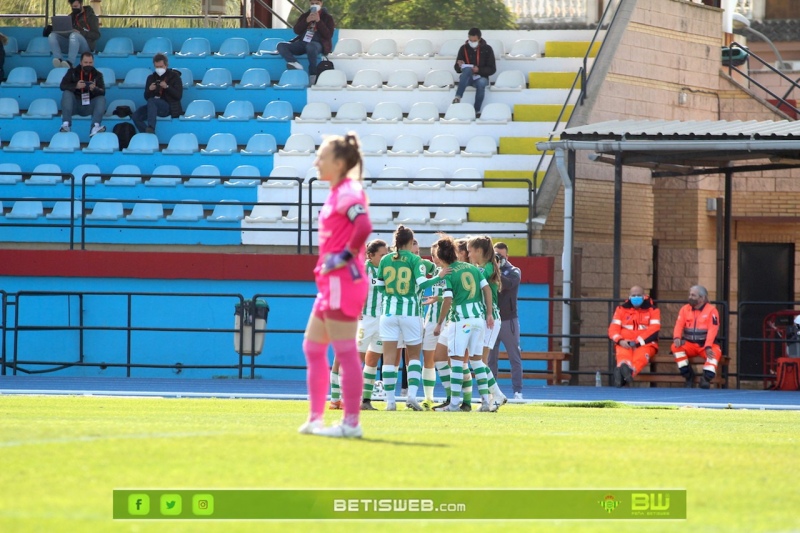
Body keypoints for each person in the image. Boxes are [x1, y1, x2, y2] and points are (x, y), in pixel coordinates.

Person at [298, 133, 372, 438]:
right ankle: (316, 418)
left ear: (339, 163)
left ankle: (351, 424)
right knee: (313, 348)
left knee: (344, 353)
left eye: (322, 156)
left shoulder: (348, 191)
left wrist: (344, 255)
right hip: (331, 283)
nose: (317, 161)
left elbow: (364, 225)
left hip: (344, 282)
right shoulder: (336, 192)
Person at [432, 236, 493, 412]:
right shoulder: (472, 268)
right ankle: (485, 403)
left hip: (461, 321)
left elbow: (448, 299)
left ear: (441, 256)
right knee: (477, 362)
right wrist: (488, 313)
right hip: (478, 319)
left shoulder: (448, 272)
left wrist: (439, 323)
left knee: (457, 362)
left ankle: (453, 404)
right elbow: (487, 289)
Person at [468, 235, 509, 410]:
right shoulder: (484, 267)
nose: (469, 254)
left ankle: (494, 396)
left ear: (478, 251)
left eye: (470, 251)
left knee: (480, 361)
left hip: (489, 319)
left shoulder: (486, 268)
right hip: (485, 318)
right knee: (478, 361)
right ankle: (490, 398)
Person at [488, 242, 523, 399]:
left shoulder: (514, 271)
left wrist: (496, 271)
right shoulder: (488, 271)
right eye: (496, 255)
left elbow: (508, 284)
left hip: (509, 321)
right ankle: (491, 392)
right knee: (491, 359)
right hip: (492, 320)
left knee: (514, 357)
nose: (498, 258)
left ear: (507, 256)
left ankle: (517, 391)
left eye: (501, 256)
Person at [608, 285, 661, 388]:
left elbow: (654, 330)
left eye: (638, 295)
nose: (636, 297)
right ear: (629, 296)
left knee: (639, 358)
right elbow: (613, 329)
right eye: (633, 295)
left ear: (644, 296)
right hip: (624, 342)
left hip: (646, 344)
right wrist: (620, 340)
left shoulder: (653, 310)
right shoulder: (621, 309)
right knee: (623, 357)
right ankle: (624, 372)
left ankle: (624, 375)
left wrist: (637, 342)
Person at [671, 285, 722, 389]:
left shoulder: (712, 310)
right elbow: (679, 324)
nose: (690, 297)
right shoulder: (685, 309)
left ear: (702, 298)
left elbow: (713, 330)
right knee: (675, 347)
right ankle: (688, 376)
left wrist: (708, 346)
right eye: (690, 294)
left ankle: (706, 379)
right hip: (689, 344)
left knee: (715, 352)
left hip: (705, 345)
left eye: (693, 295)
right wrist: (677, 338)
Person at [277, 0, 334, 84]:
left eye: (317, 3)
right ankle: (295, 63)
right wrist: (306, 21)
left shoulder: (327, 17)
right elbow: (296, 30)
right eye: (312, 3)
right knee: (281, 45)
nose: (314, 5)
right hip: (303, 42)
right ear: (309, 4)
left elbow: (328, 35)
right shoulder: (305, 16)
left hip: (318, 44)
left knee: (311, 46)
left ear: (321, 4)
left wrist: (319, 21)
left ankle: (313, 74)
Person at [132, 54, 183, 134]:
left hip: (168, 106)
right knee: (136, 116)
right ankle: (148, 133)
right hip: (152, 106)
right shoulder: (151, 78)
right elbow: (146, 97)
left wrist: (167, 87)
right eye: (157, 67)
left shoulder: (174, 76)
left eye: (161, 66)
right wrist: (150, 89)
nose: (159, 69)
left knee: (152, 101)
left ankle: (151, 127)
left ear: (166, 65)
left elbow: (178, 95)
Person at [59, 52, 106, 136]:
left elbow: (103, 91)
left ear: (93, 62)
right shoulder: (72, 72)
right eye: (86, 62)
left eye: (90, 63)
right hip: (74, 105)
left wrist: (95, 89)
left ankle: (95, 126)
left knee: (101, 99)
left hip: (90, 105)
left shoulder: (98, 75)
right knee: (67, 93)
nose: (88, 65)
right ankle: (66, 125)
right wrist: (75, 86)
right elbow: (62, 86)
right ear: (81, 62)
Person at [452, 28, 496, 113]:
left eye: (474, 40)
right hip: (467, 77)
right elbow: (457, 68)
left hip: (481, 77)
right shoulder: (463, 48)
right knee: (467, 69)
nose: (472, 42)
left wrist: (479, 70)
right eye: (470, 40)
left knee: (481, 83)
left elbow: (492, 69)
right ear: (468, 38)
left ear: (479, 39)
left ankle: (476, 110)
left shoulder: (487, 49)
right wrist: (459, 65)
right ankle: (458, 97)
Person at [49, 0, 101, 69]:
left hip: (86, 46)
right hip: (71, 44)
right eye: (73, 7)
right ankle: (59, 59)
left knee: (74, 35)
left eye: (76, 6)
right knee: (52, 36)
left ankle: (70, 62)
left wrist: (80, 32)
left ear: (81, 4)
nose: (74, 9)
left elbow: (96, 35)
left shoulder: (91, 17)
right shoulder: (71, 17)